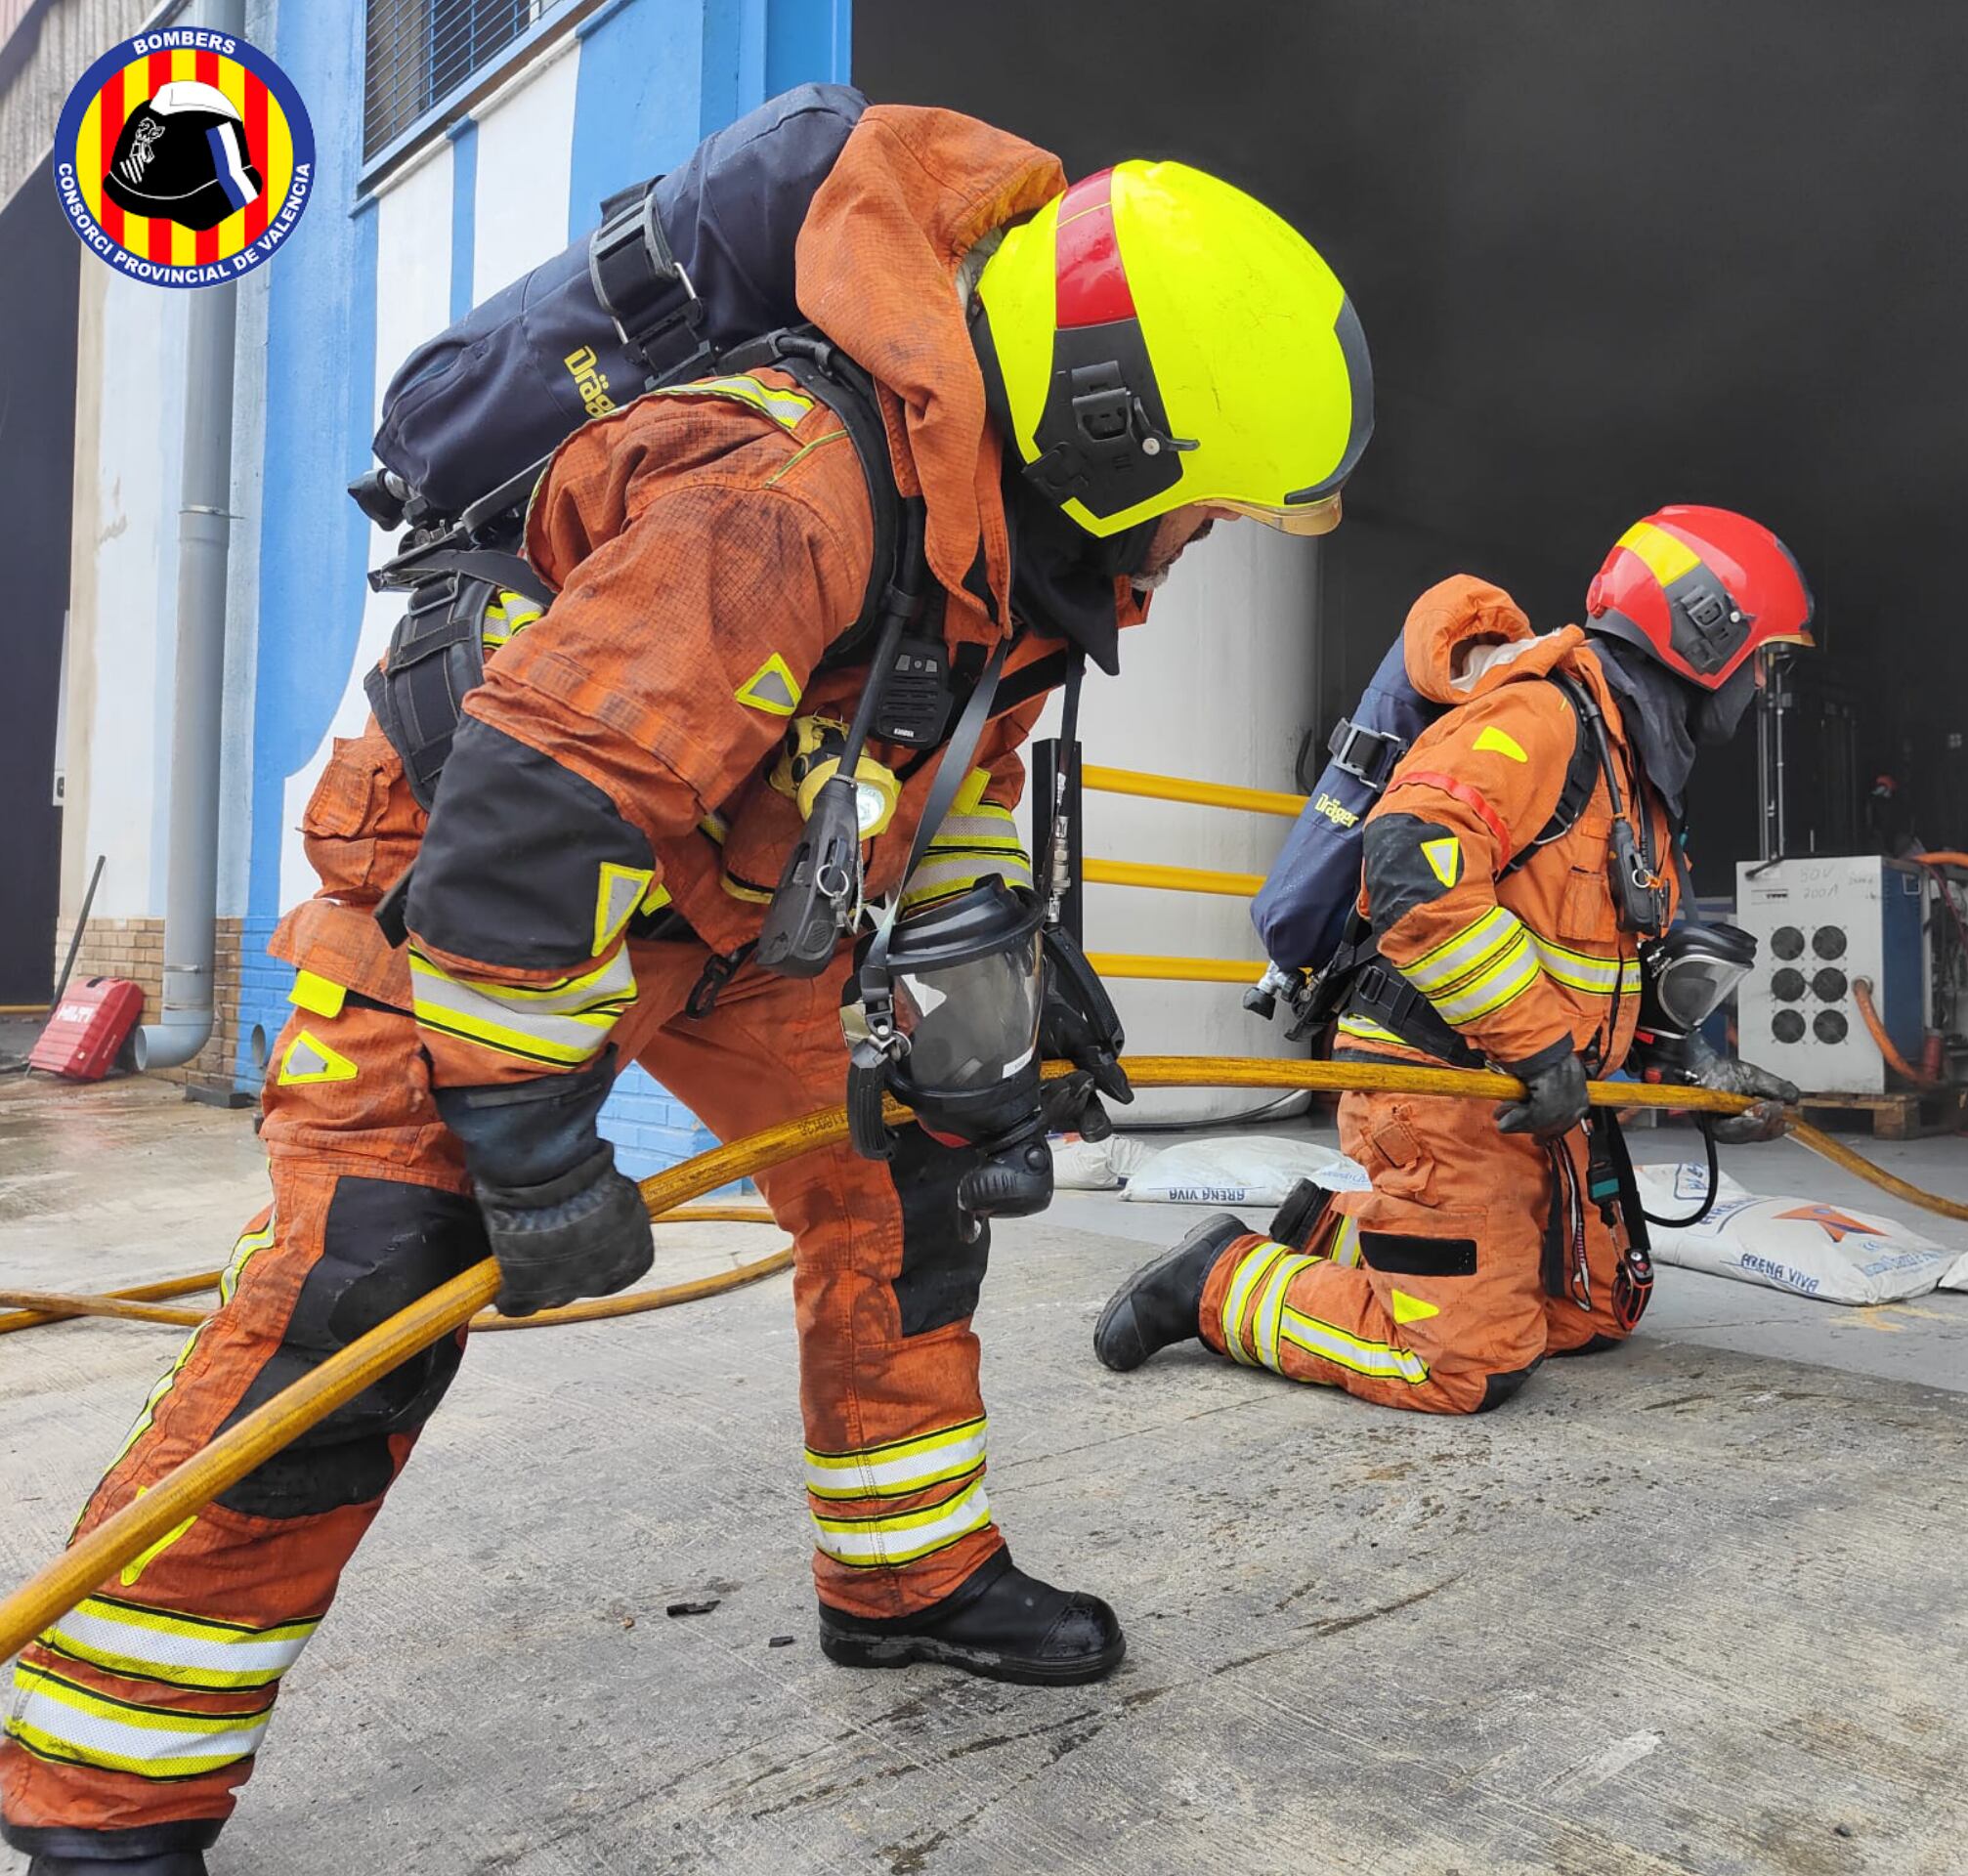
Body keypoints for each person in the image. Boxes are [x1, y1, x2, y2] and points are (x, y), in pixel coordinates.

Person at [2, 107, 1369, 1876]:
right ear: (1111, 425)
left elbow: (935, 810)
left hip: (721, 915)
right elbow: (537, 809)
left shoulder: (1005, 560)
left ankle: (906, 1573)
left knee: (904, 1179)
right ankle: (100, 1780)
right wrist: (529, 1137)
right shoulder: (789, 485)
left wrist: (989, 1005)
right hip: (471, 897)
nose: (1188, 558)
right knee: (366, 1293)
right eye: (1201, 510)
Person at [1094, 507, 1806, 1415]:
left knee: (1591, 1311)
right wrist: (1541, 1046)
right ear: (1707, 630)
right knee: (1466, 1363)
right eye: (1765, 660)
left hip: (1526, 1094)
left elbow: (1629, 962)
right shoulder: (1544, 716)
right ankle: (1216, 1284)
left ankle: (1331, 1235)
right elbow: (1412, 863)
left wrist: (1704, 1077)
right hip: (1439, 1081)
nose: (1762, 687)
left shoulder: (1639, 779)